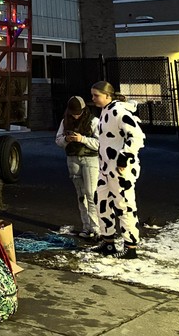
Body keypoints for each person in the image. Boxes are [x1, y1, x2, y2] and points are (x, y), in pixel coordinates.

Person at [90, 80, 146, 259]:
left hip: (120, 171)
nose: (93, 99)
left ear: (107, 96)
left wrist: (124, 156)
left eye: (96, 95)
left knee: (124, 206)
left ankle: (130, 246)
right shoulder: (106, 112)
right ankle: (108, 242)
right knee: (102, 202)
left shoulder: (118, 112)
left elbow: (137, 136)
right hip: (106, 169)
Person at [55, 95, 101, 239]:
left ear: (84, 110)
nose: (75, 116)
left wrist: (82, 139)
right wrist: (66, 139)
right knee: (81, 195)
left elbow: (101, 143)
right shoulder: (65, 121)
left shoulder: (94, 121)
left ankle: (97, 228)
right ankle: (86, 227)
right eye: (73, 113)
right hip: (72, 159)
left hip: (90, 159)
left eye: (78, 113)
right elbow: (58, 140)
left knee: (91, 194)